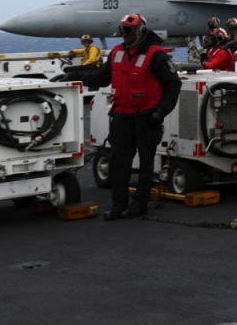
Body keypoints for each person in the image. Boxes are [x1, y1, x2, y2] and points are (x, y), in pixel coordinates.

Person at [61, 13, 181, 221]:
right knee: (118, 162)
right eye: (122, 31)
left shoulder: (156, 55)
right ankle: (119, 205)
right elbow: (101, 77)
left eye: (127, 31)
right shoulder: (117, 52)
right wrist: (73, 75)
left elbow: (173, 84)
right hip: (122, 116)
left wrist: (160, 113)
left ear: (140, 31)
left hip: (146, 118)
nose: (123, 35)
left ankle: (139, 206)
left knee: (145, 164)